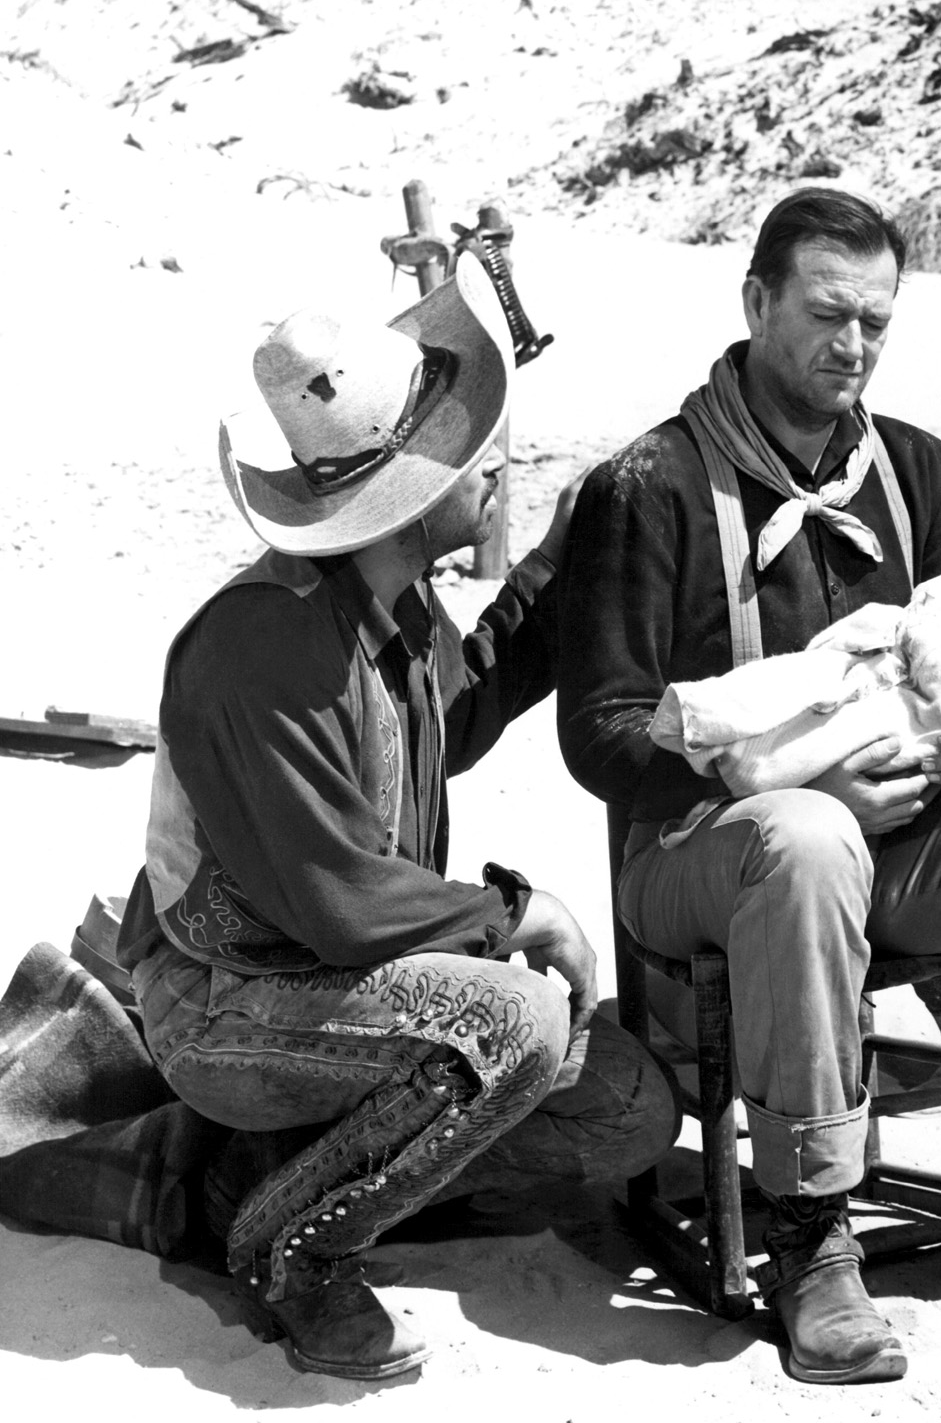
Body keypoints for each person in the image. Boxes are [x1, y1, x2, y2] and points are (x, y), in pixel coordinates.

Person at [556, 188, 941, 1388]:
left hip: (899, 858)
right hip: (701, 857)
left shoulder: (915, 473)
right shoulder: (652, 484)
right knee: (804, 836)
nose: (852, 346)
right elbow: (600, 735)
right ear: (756, 303)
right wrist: (802, 774)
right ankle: (812, 1238)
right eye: (826, 314)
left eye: (876, 323)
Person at [94, 256, 677, 1379]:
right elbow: (343, 902)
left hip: (330, 977)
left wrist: (560, 561)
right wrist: (520, 913)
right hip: (226, 1000)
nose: (496, 462)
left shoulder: (386, 601)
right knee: (515, 1024)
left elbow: (455, 714)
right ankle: (293, 1252)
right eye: (472, 452)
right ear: (408, 495)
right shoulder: (265, 642)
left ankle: (263, 1173)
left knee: (627, 1113)